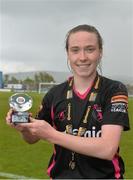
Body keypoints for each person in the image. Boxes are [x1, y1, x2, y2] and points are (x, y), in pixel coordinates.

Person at [6, 24, 130, 179]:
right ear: (68, 54)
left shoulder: (114, 90)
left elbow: (107, 149)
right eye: (75, 50)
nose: (83, 57)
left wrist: (51, 134)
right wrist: (24, 129)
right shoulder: (54, 94)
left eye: (90, 49)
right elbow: (32, 138)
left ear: (100, 53)